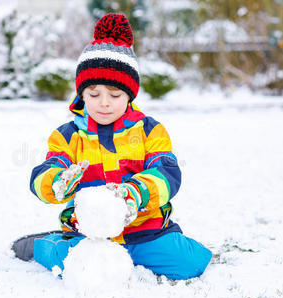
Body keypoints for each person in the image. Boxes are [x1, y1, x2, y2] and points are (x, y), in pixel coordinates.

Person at [20, 13, 212, 280]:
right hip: (89, 235)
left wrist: (136, 192)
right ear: (81, 94)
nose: (104, 103)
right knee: (71, 265)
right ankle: (43, 245)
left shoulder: (149, 130)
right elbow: (46, 170)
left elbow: (167, 172)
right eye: (94, 94)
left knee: (192, 263)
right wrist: (56, 181)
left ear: (130, 94)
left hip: (144, 231)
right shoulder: (68, 135)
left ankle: (136, 255)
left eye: (115, 94)